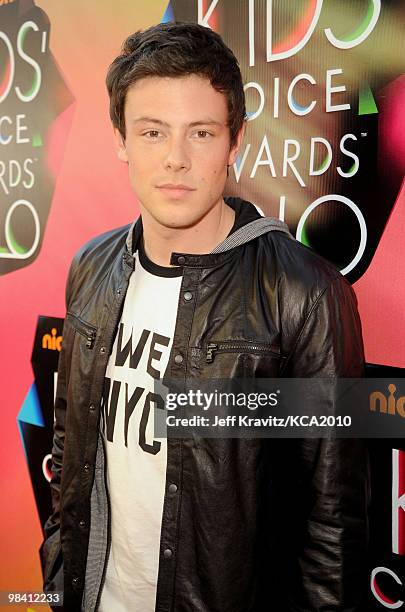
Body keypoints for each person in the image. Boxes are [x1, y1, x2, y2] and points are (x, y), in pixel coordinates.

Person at [40, 21, 369, 612]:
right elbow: (69, 445)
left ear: (233, 141)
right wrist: (58, 569)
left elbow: (333, 523)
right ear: (121, 140)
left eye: (200, 132)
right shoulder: (90, 267)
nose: (175, 159)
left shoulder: (308, 294)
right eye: (152, 132)